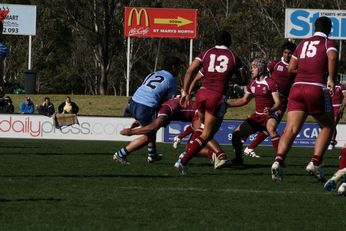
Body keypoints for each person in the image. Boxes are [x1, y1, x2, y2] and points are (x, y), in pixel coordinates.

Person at [271, 16, 338, 183]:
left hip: (297, 88)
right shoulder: (328, 43)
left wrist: (306, 69)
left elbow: (291, 68)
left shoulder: (302, 44)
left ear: (314, 28)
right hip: (316, 87)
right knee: (328, 126)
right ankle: (315, 163)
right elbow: (332, 57)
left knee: (291, 129)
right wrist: (331, 78)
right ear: (329, 29)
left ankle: (278, 161)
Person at [177, 30, 245, 174]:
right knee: (207, 133)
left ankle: (192, 153)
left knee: (202, 128)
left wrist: (186, 92)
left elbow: (190, 71)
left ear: (216, 41)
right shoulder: (233, 56)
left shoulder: (206, 53)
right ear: (229, 42)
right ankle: (184, 161)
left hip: (201, 94)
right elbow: (243, 78)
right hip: (217, 96)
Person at [120, 96, 227, 169]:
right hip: (198, 112)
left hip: (199, 112)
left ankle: (220, 156)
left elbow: (153, 127)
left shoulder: (164, 109)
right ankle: (214, 155)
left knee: (204, 135)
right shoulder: (162, 106)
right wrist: (138, 122)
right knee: (191, 147)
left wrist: (132, 131)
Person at [113, 55, 181, 164]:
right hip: (145, 106)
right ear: (173, 67)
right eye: (178, 67)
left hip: (133, 102)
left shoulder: (153, 73)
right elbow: (168, 102)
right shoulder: (171, 80)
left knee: (151, 132)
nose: (179, 70)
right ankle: (121, 154)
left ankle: (152, 154)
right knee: (148, 133)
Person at [243, 41, 297, 158]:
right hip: (272, 98)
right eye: (285, 52)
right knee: (271, 126)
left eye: (290, 53)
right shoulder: (275, 64)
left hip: (283, 101)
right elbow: (262, 75)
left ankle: (250, 147)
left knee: (271, 127)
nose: (287, 55)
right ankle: (277, 156)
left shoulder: (295, 67)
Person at [228, 58, 281, 165]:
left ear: (260, 69)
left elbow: (278, 102)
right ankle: (239, 159)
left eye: (254, 67)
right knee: (236, 135)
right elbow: (244, 100)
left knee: (271, 129)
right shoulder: (252, 84)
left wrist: (272, 109)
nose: (251, 70)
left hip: (269, 115)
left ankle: (279, 160)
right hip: (257, 116)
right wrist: (227, 105)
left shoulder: (270, 83)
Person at [328, 74, 346, 150]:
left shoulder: (341, 86)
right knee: (329, 125)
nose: (337, 80)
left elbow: (345, 97)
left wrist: (342, 107)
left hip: (337, 107)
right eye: (335, 78)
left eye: (338, 78)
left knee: (333, 124)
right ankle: (331, 141)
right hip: (329, 107)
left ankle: (331, 142)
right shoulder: (328, 86)